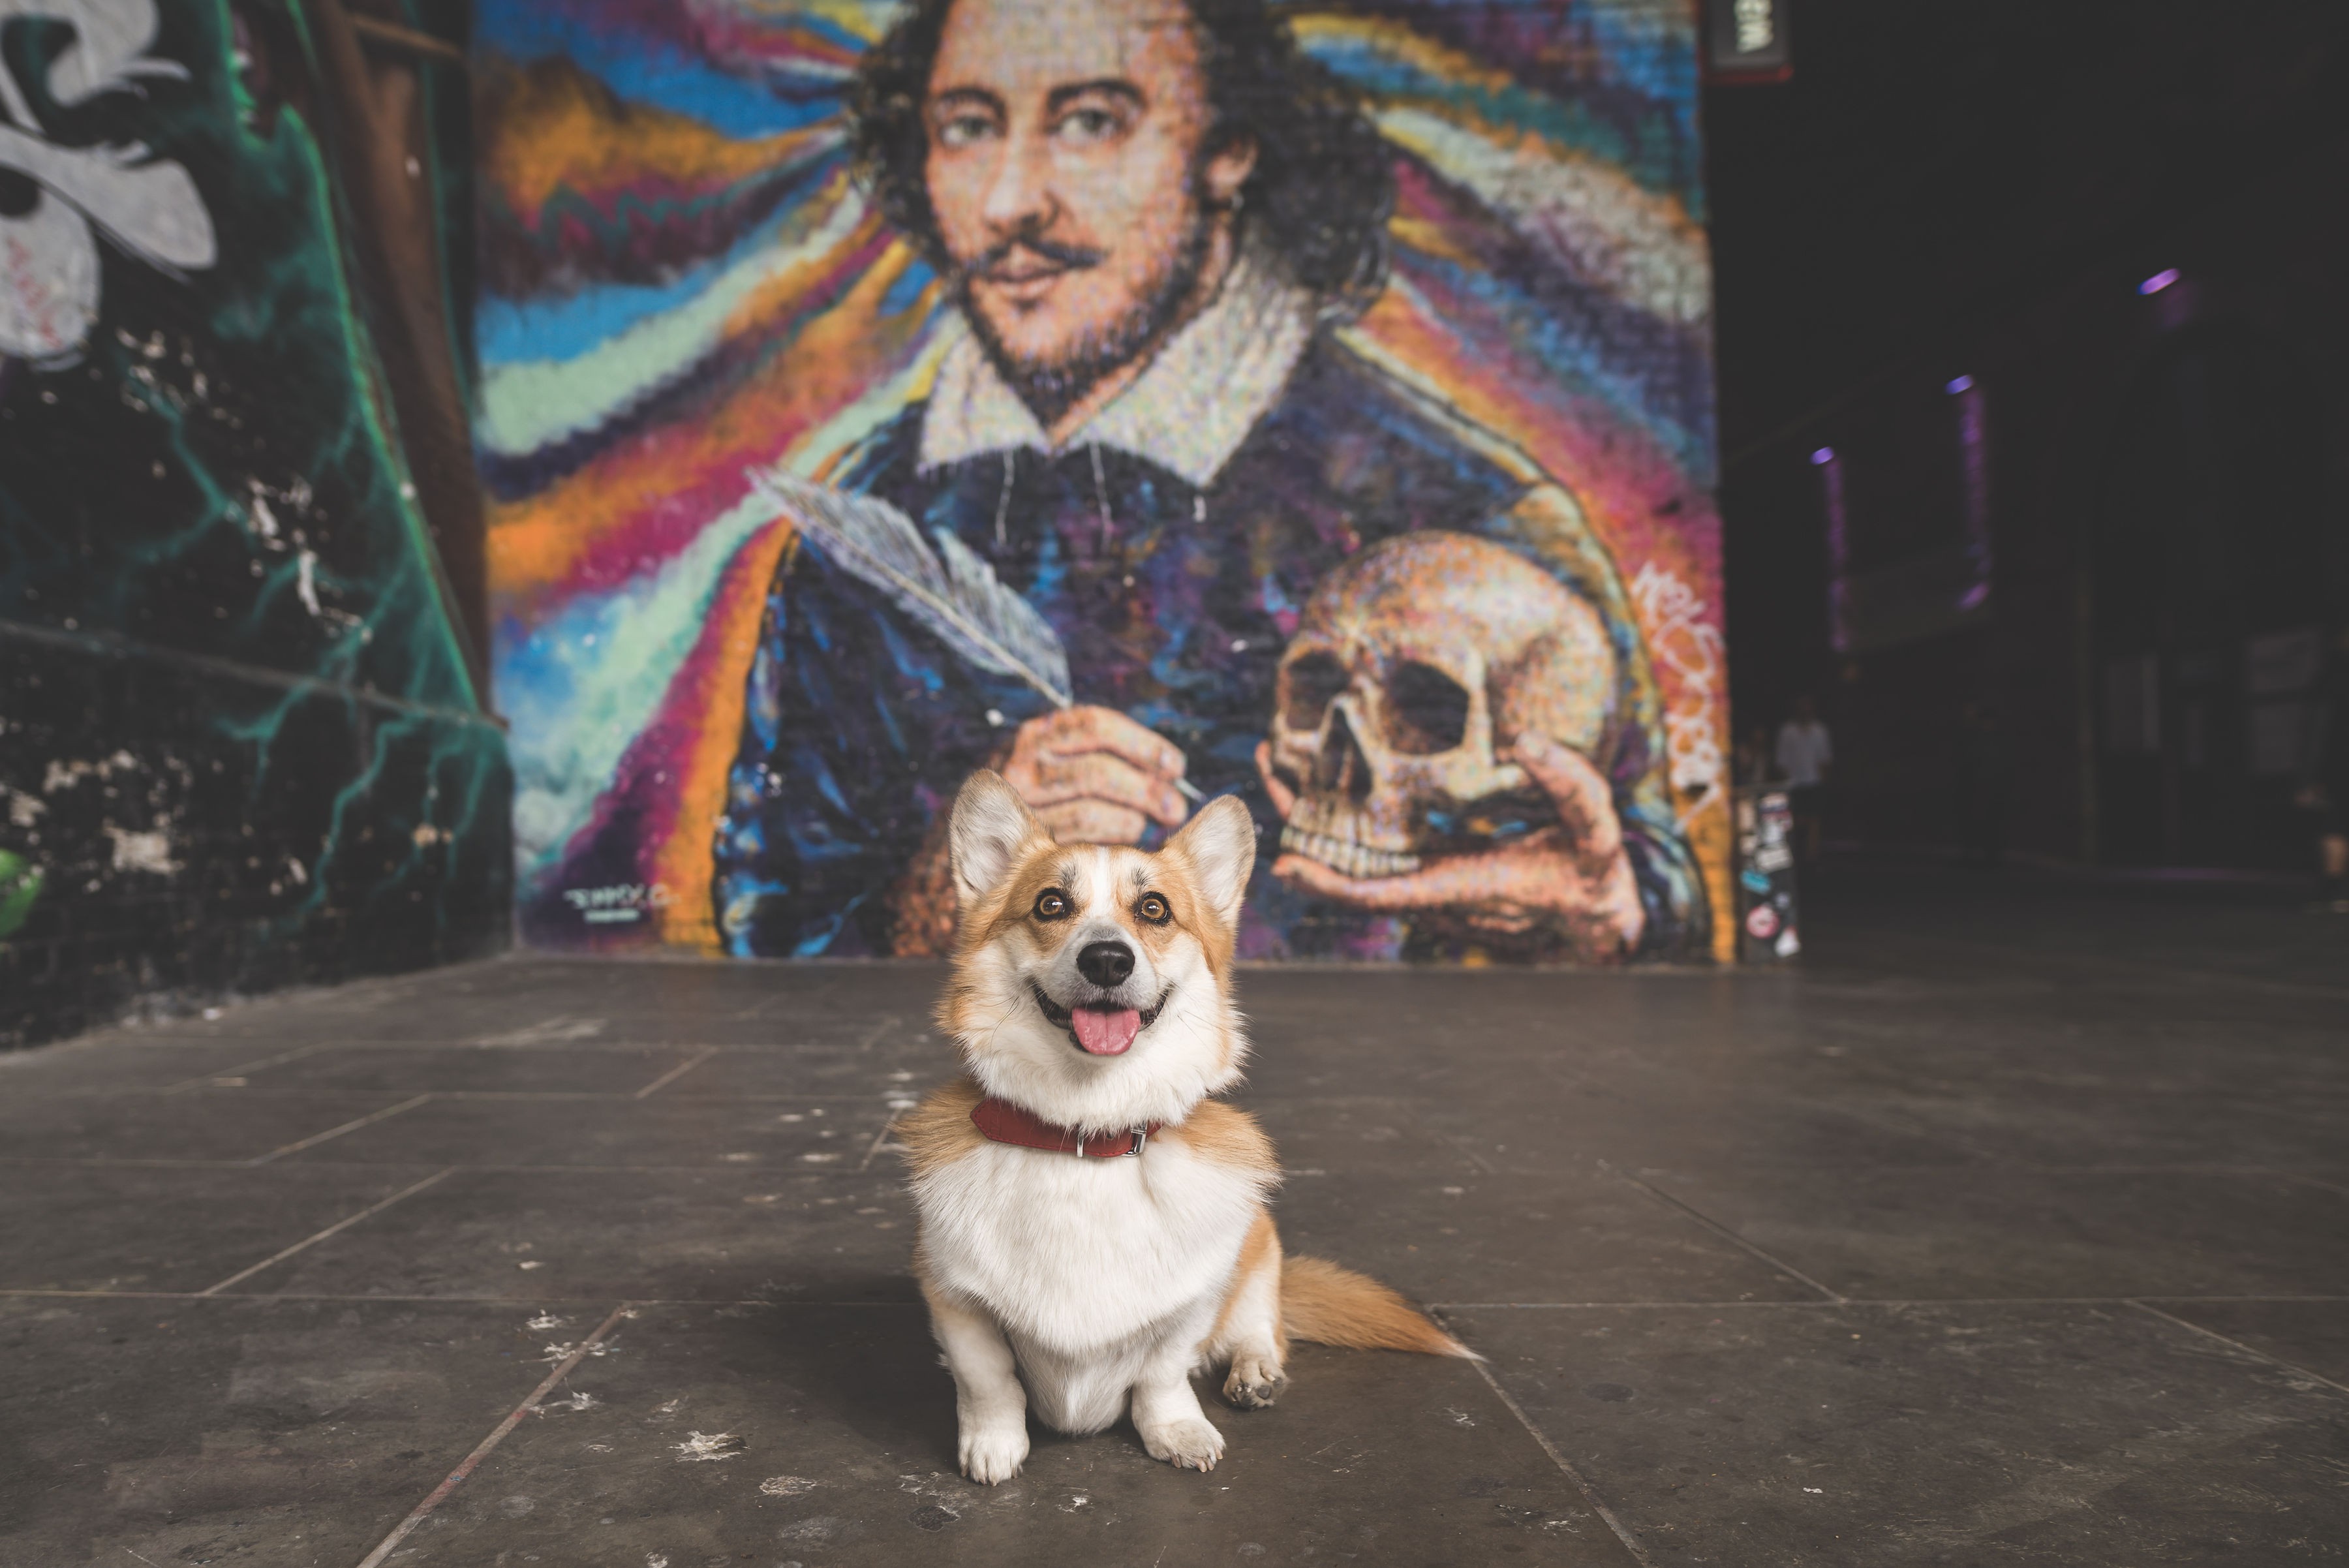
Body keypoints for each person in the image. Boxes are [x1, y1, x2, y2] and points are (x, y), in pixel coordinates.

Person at [711, 0, 1706, 962]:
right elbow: (775, 928)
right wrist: (960, 880)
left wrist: (1604, 920)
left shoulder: (1473, 512)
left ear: (1230, 148)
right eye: (967, 127)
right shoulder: (869, 524)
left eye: (1091, 121)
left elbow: (1644, 898)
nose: (1011, 200)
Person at [2296, 626, 2349, 913]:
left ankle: (2336, 888)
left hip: (2337, 766)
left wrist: (2309, 778)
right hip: (2338, 765)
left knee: (2334, 827)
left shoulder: (2331, 678)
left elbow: (2318, 730)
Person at [1773, 694, 1832, 865]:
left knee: (1814, 824)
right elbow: (1781, 761)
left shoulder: (1820, 731)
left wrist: (1822, 782)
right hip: (1793, 784)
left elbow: (1825, 760)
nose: (1805, 710)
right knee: (1794, 823)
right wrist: (1786, 784)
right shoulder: (1787, 731)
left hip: (1813, 783)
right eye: (1802, 706)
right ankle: (1794, 862)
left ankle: (1812, 862)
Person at [1952, 698, 2006, 867]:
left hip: (1986, 785)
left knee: (1986, 820)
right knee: (1975, 819)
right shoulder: (1975, 738)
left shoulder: (1988, 740)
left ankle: (1988, 855)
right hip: (1978, 785)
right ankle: (1978, 854)